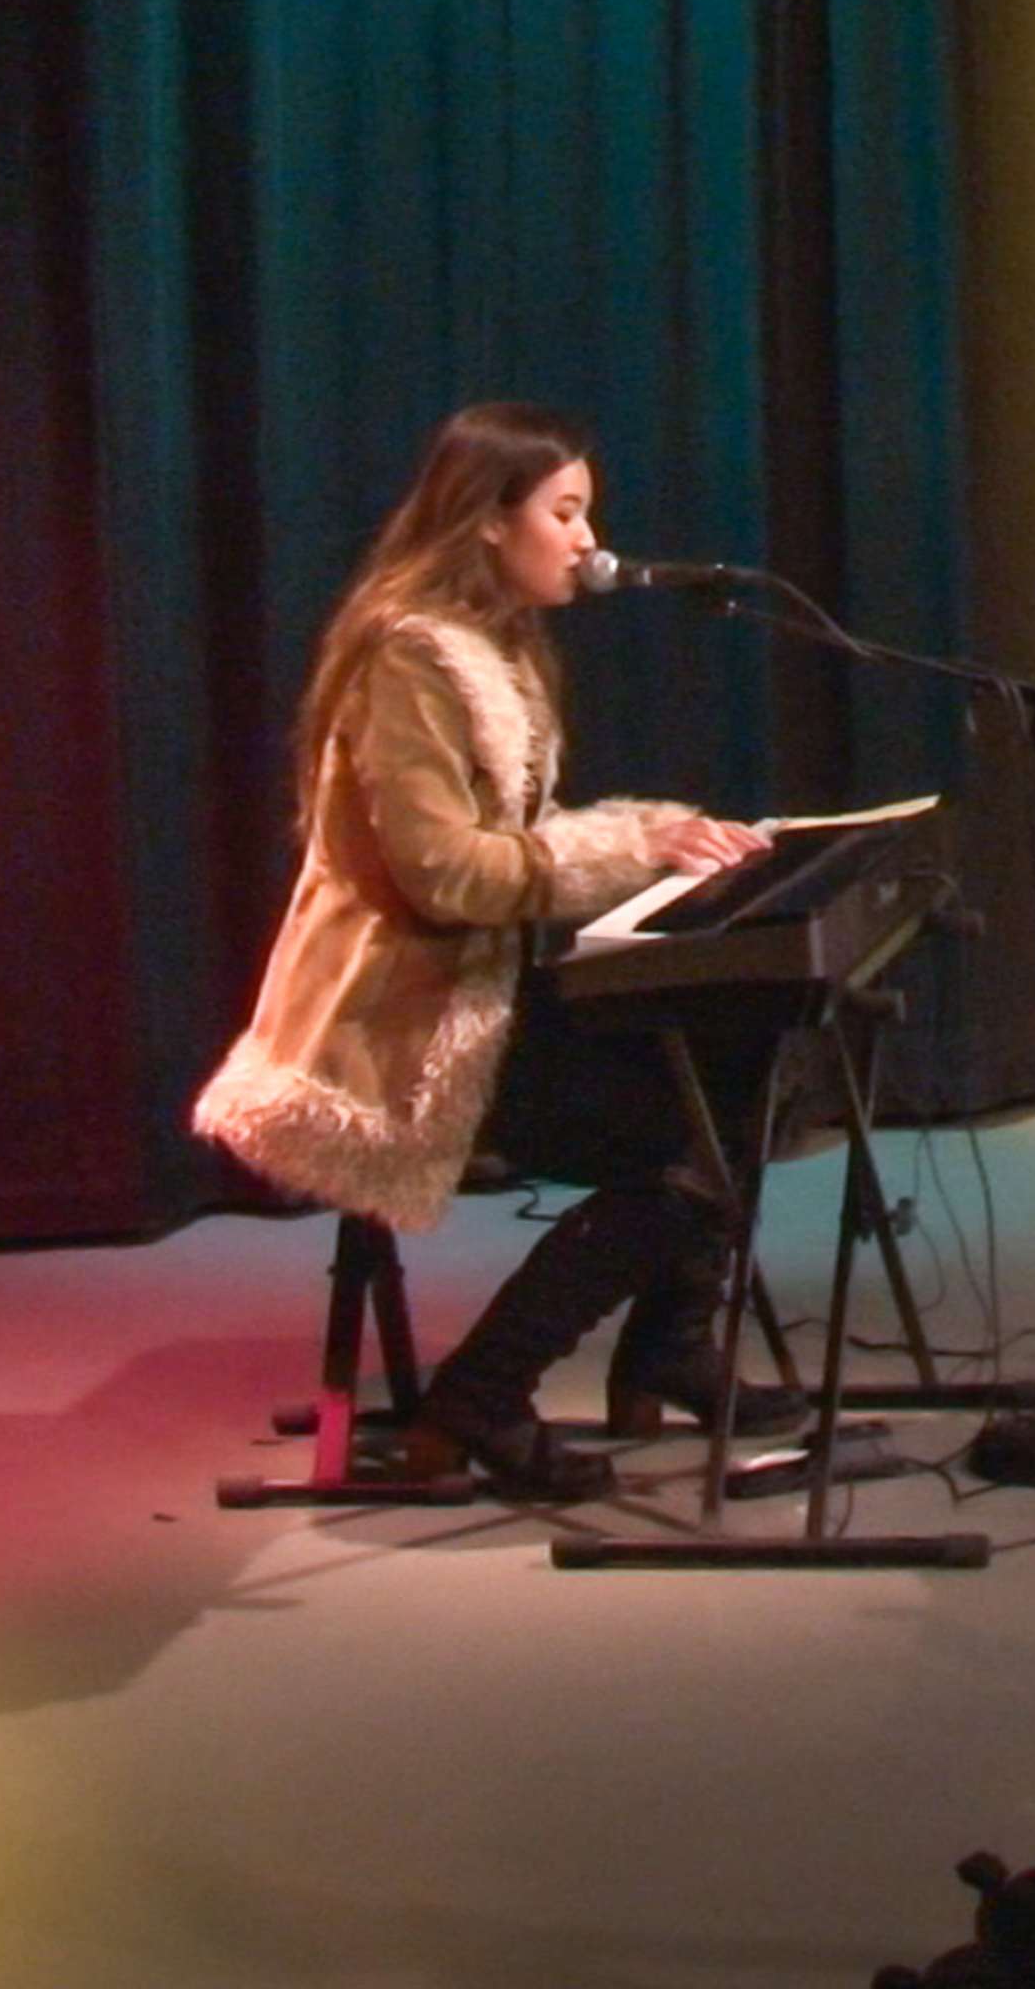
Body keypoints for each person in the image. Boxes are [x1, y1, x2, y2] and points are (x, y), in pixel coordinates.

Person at [192, 401, 795, 1501]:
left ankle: (671, 1346)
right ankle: (484, 1393)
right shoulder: (410, 659)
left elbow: (519, 841)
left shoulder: (498, 649)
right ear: (485, 521)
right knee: (679, 1158)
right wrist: (629, 846)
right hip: (405, 1021)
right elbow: (450, 875)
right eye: (565, 513)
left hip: (482, 983)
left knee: (736, 1065)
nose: (587, 541)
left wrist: (654, 848)